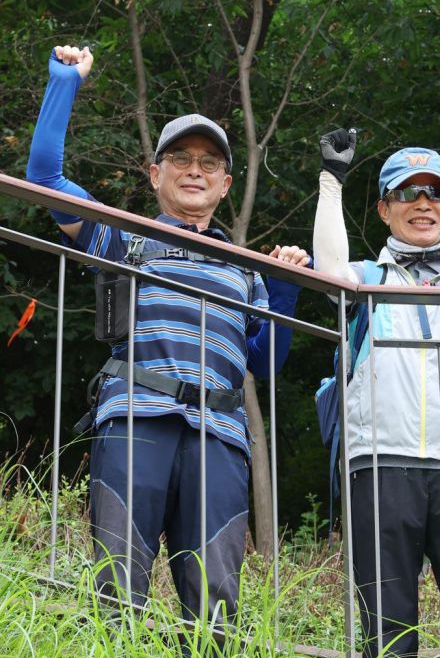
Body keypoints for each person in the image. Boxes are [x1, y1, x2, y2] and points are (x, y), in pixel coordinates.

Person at [27, 44, 310, 626]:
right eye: (180, 158)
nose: (194, 170)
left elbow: (264, 364)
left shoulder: (246, 269)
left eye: (209, 162)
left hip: (220, 436)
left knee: (215, 602)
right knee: (116, 585)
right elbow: (45, 177)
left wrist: (285, 290)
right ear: (156, 174)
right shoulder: (123, 237)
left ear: (225, 184)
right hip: (136, 417)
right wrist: (64, 83)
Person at [313, 129, 440, 658]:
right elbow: (329, 271)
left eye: (437, 192)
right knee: (386, 632)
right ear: (384, 209)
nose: (423, 203)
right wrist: (332, 180)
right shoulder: (363, 278)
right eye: (408, 192)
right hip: (381, 464)